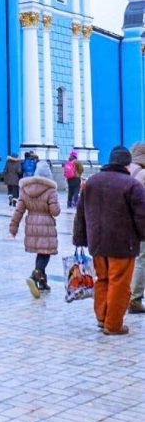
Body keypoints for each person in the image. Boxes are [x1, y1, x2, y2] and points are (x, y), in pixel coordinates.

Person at [73, 145, 145, 336]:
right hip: (123, 244)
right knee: (119, 283)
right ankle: (113, 325)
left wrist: (80, 238)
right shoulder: (132, 185)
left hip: (97, 243)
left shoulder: (91, 182)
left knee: (102, 279)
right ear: (127, 164)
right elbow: (142, 216)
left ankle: (102, 318)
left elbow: (80, 214)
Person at [9, 160, 61, 297]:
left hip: (31, 226)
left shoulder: (25, 189)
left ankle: (42, 283)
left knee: (41, 252)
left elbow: (19, 210)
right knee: (45, 253)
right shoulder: (50, 190)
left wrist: (13, 228)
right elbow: (55, 211)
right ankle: (34, 276)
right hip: (46, 226)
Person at [126, 142, 145, 314]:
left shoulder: (126, 170)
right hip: (140, 222)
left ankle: (126, 295)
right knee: (141, 260)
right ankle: (135, 299)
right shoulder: (143, 174)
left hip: (123, 223)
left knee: (128, 260)